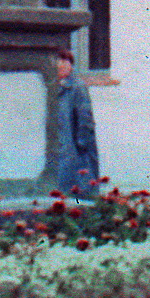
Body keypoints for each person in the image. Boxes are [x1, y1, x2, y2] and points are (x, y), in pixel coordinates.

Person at [52, 47, 99, 198]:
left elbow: (85, 121)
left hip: (75, 151)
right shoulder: (51, 88)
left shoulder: (77, 87)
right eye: (58, 61)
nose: (61, 65)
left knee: (79, 193)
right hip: (58, 152)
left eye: (65, 61)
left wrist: (81, 146)